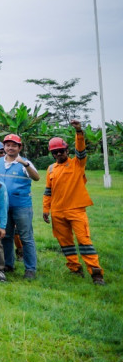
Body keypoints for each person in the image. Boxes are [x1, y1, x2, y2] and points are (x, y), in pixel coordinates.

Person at [44, 120, 105, 285]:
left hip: (76, 210)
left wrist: (79, 132)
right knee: (65, 243)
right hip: (57, 212)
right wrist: (45, 210)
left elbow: (81, 151)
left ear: (66, 150)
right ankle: (75, 269)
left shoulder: (77, 164)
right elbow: (48, 191)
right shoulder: (50, 169)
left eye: (60, 151)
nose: (58, 154)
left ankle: (96, 274)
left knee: (84, 242)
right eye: (55, 152)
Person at [0, 133, 40, 279]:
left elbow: (37, 177)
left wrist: (24, 164)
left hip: (22, 206)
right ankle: (8, 264)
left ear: (19, 147)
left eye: (14, 145)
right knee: (5, 236)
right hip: (4, 206)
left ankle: (30, 269)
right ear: (4, 147)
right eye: (8, 145)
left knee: (26, 237)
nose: (10, 148)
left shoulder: (25, 162)